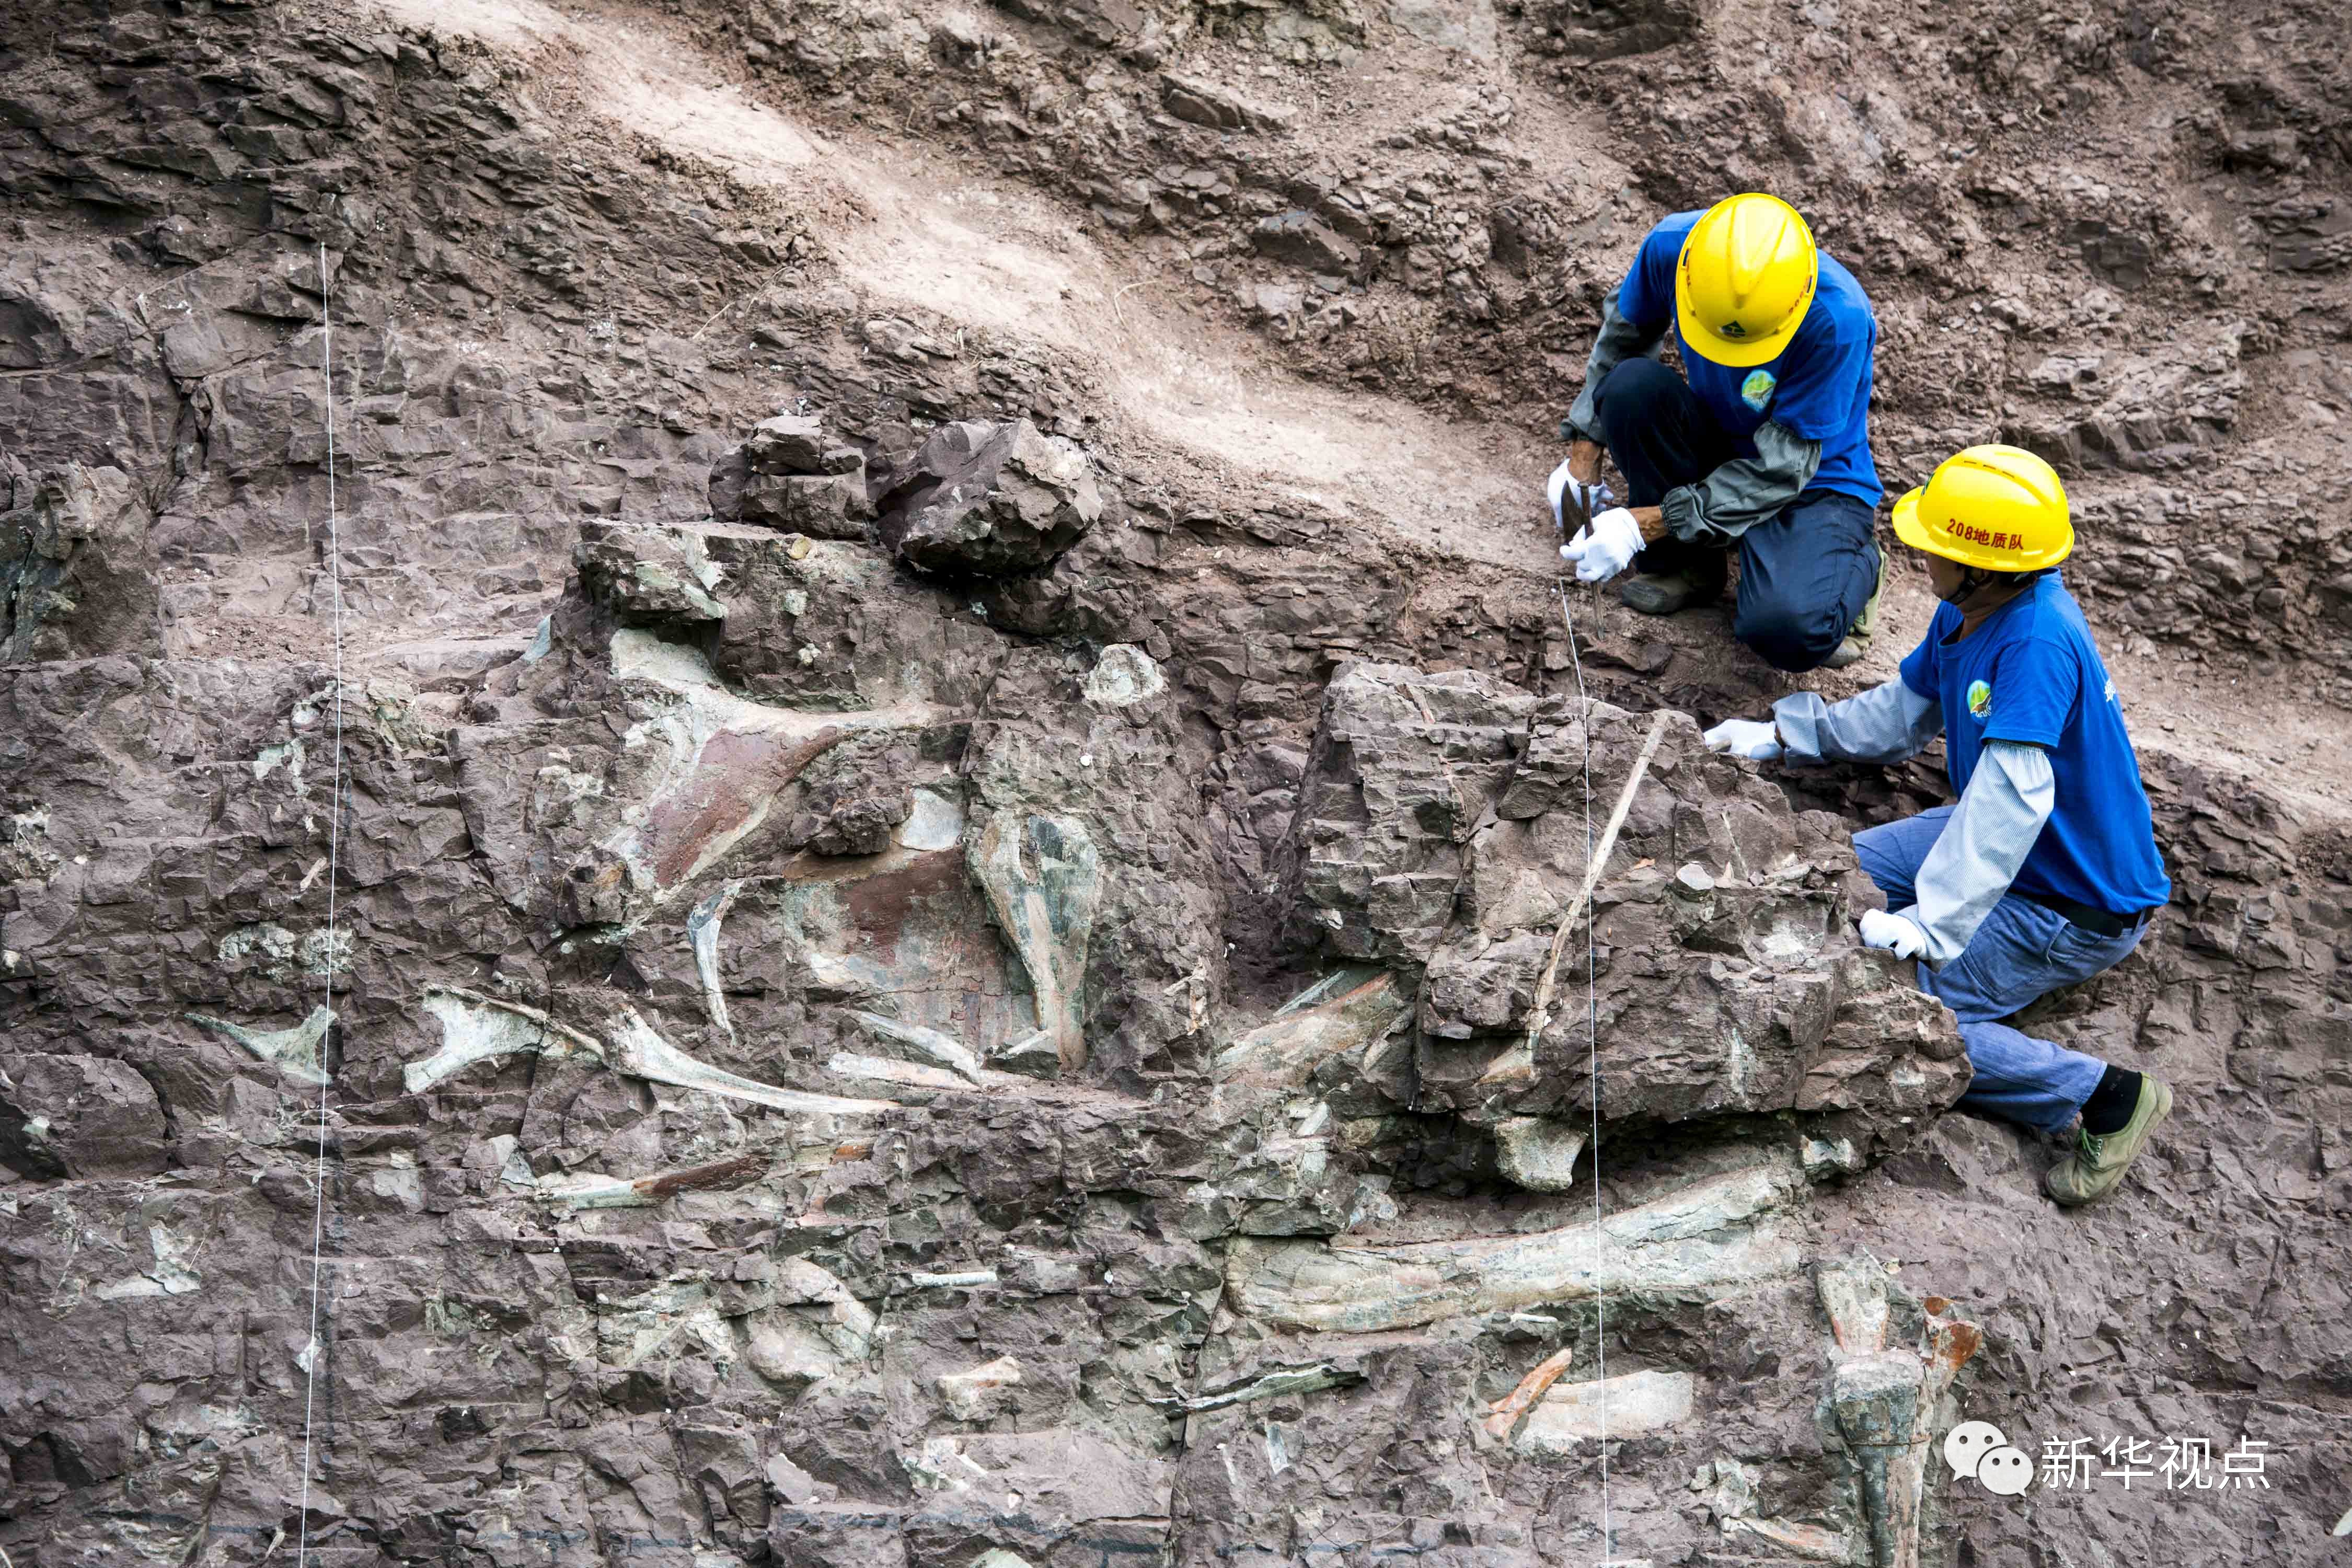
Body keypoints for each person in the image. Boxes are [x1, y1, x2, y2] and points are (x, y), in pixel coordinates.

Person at [1700, 445, 2173, 1205]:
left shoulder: (2036, 641)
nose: (1919, 555)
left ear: (1983, 565)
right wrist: (1790, 733)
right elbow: (1905, 710)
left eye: (1936, 548)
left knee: (1906, 1012)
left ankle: (2107, 1096)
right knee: (1833, 870)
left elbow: (2014, 798)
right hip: (2013, 847)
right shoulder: (1971, 608)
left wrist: (1938, 922)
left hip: (2072, 901)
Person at [1549, 192, 1884, 672]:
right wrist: (1581, 462)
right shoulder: (1673, 248)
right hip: (1720, 444)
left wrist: (1640, 524)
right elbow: (1624, 340)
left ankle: (1852, 564)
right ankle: (1690, 566)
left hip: (1810, 480)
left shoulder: (1837, 319)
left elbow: (1782, 469)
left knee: (1785, 630)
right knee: (1631, 389)